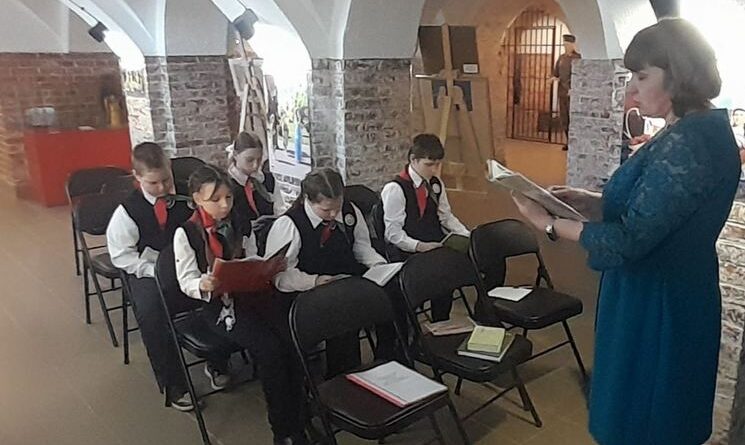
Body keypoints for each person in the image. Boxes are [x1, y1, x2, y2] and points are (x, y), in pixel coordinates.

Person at [512, 18, 740, 445]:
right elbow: (660, 211)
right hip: (657, 290)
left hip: (660, 302)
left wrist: (548, 224)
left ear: (678, 73)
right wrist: (593, 201)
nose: (631, 90)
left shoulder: (690, 142)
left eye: (641, 76)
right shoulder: (685, 130)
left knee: (645, 421)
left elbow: (630, 240)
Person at [173, 164, 307, 445]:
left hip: (250, 293)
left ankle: (301, 413)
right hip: (219, 306)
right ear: (197, 198)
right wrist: (203, 284)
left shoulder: (240, 221)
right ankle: (283, 429)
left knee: (292, 337)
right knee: (269, 349)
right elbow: (186, 280)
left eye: (229, 197)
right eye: (215, 199)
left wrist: (264, 267)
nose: (224, 205)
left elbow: (252, 256)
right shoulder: (186, 234)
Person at [107, 142, 229, 411]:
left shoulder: (188, 198)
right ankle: (174, 383)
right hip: (147, 271)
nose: (162, 188)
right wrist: (156, 270)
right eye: (153, 183)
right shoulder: (127, 212)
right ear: (137, 177)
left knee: (215, 290)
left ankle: (217, 360)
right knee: (152, 310)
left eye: (166, 180)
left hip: (190, 263)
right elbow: (122, 256)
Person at [265, 168, 400, 376]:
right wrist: (315, 281)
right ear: (308, 199)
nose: (334, 214)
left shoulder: (349, 211)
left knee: (390, 295)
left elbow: (361, 246)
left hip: (344, 283)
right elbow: (280, 276)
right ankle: (340, 377)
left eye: (337, 207)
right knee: (341, 313)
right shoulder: (289, 224)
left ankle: (387, 361)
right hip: (306, 292)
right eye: (326, 210)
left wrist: (378, 265)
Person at [380, 133, 469, 321]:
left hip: (434, 245)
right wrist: (419, 246)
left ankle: (441, 323)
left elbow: (446, 216)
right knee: (437, 273)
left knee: (450, 272)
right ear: (413, 160)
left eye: (437, 164)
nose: (434, 170)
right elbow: (393, 234)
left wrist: (465, 234)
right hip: (408, 249)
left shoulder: (436, 184)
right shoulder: (395, 188)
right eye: (429, 165)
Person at [227, 131, 282, 227]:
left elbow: (279, 208)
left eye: (259, 159)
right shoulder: (227, 185)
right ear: (235, 155)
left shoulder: (267, 179)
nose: (255, 165)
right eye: (249, 160)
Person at [549, 34, 582, 150]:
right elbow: (556, 73)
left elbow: (581, 77)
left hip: (573, 93)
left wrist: (574, 88)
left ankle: (576, 142)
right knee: (564, 118)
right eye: (564, 45)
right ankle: (568, 141)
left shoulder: (578, 59)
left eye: (567, 45)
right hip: (562, 92)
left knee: (574, 118)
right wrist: (553, 78)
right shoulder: (561, 58)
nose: (566, 47)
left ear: (573, 45)